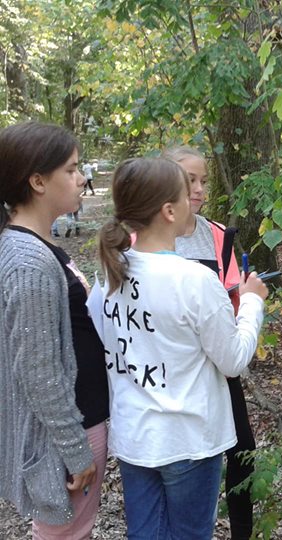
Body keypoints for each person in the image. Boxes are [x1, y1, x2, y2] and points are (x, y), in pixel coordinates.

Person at [96, 157, 268, 540]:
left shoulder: (107, 273)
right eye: (186, 193)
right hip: (189, 437)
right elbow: (234, 360)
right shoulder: (194, 280)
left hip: (134, 434)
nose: (197, 196)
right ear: (169, 211)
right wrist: (253, 302)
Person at [0, 121, 109, 539]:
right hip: (68, 433)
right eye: (72, 169)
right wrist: (75, 449)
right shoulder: (30, 262)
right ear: (38, 181)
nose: (82, 178)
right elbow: (38, 371)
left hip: (78, 423)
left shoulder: (37, 247)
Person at [162, 146, 254, 540]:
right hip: (171, 372)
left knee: (243, 452)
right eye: (190, 181)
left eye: (203, 181)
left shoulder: (217, 235)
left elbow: (231, 296)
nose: (199, 190)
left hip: (219, 365)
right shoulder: (143, 235)